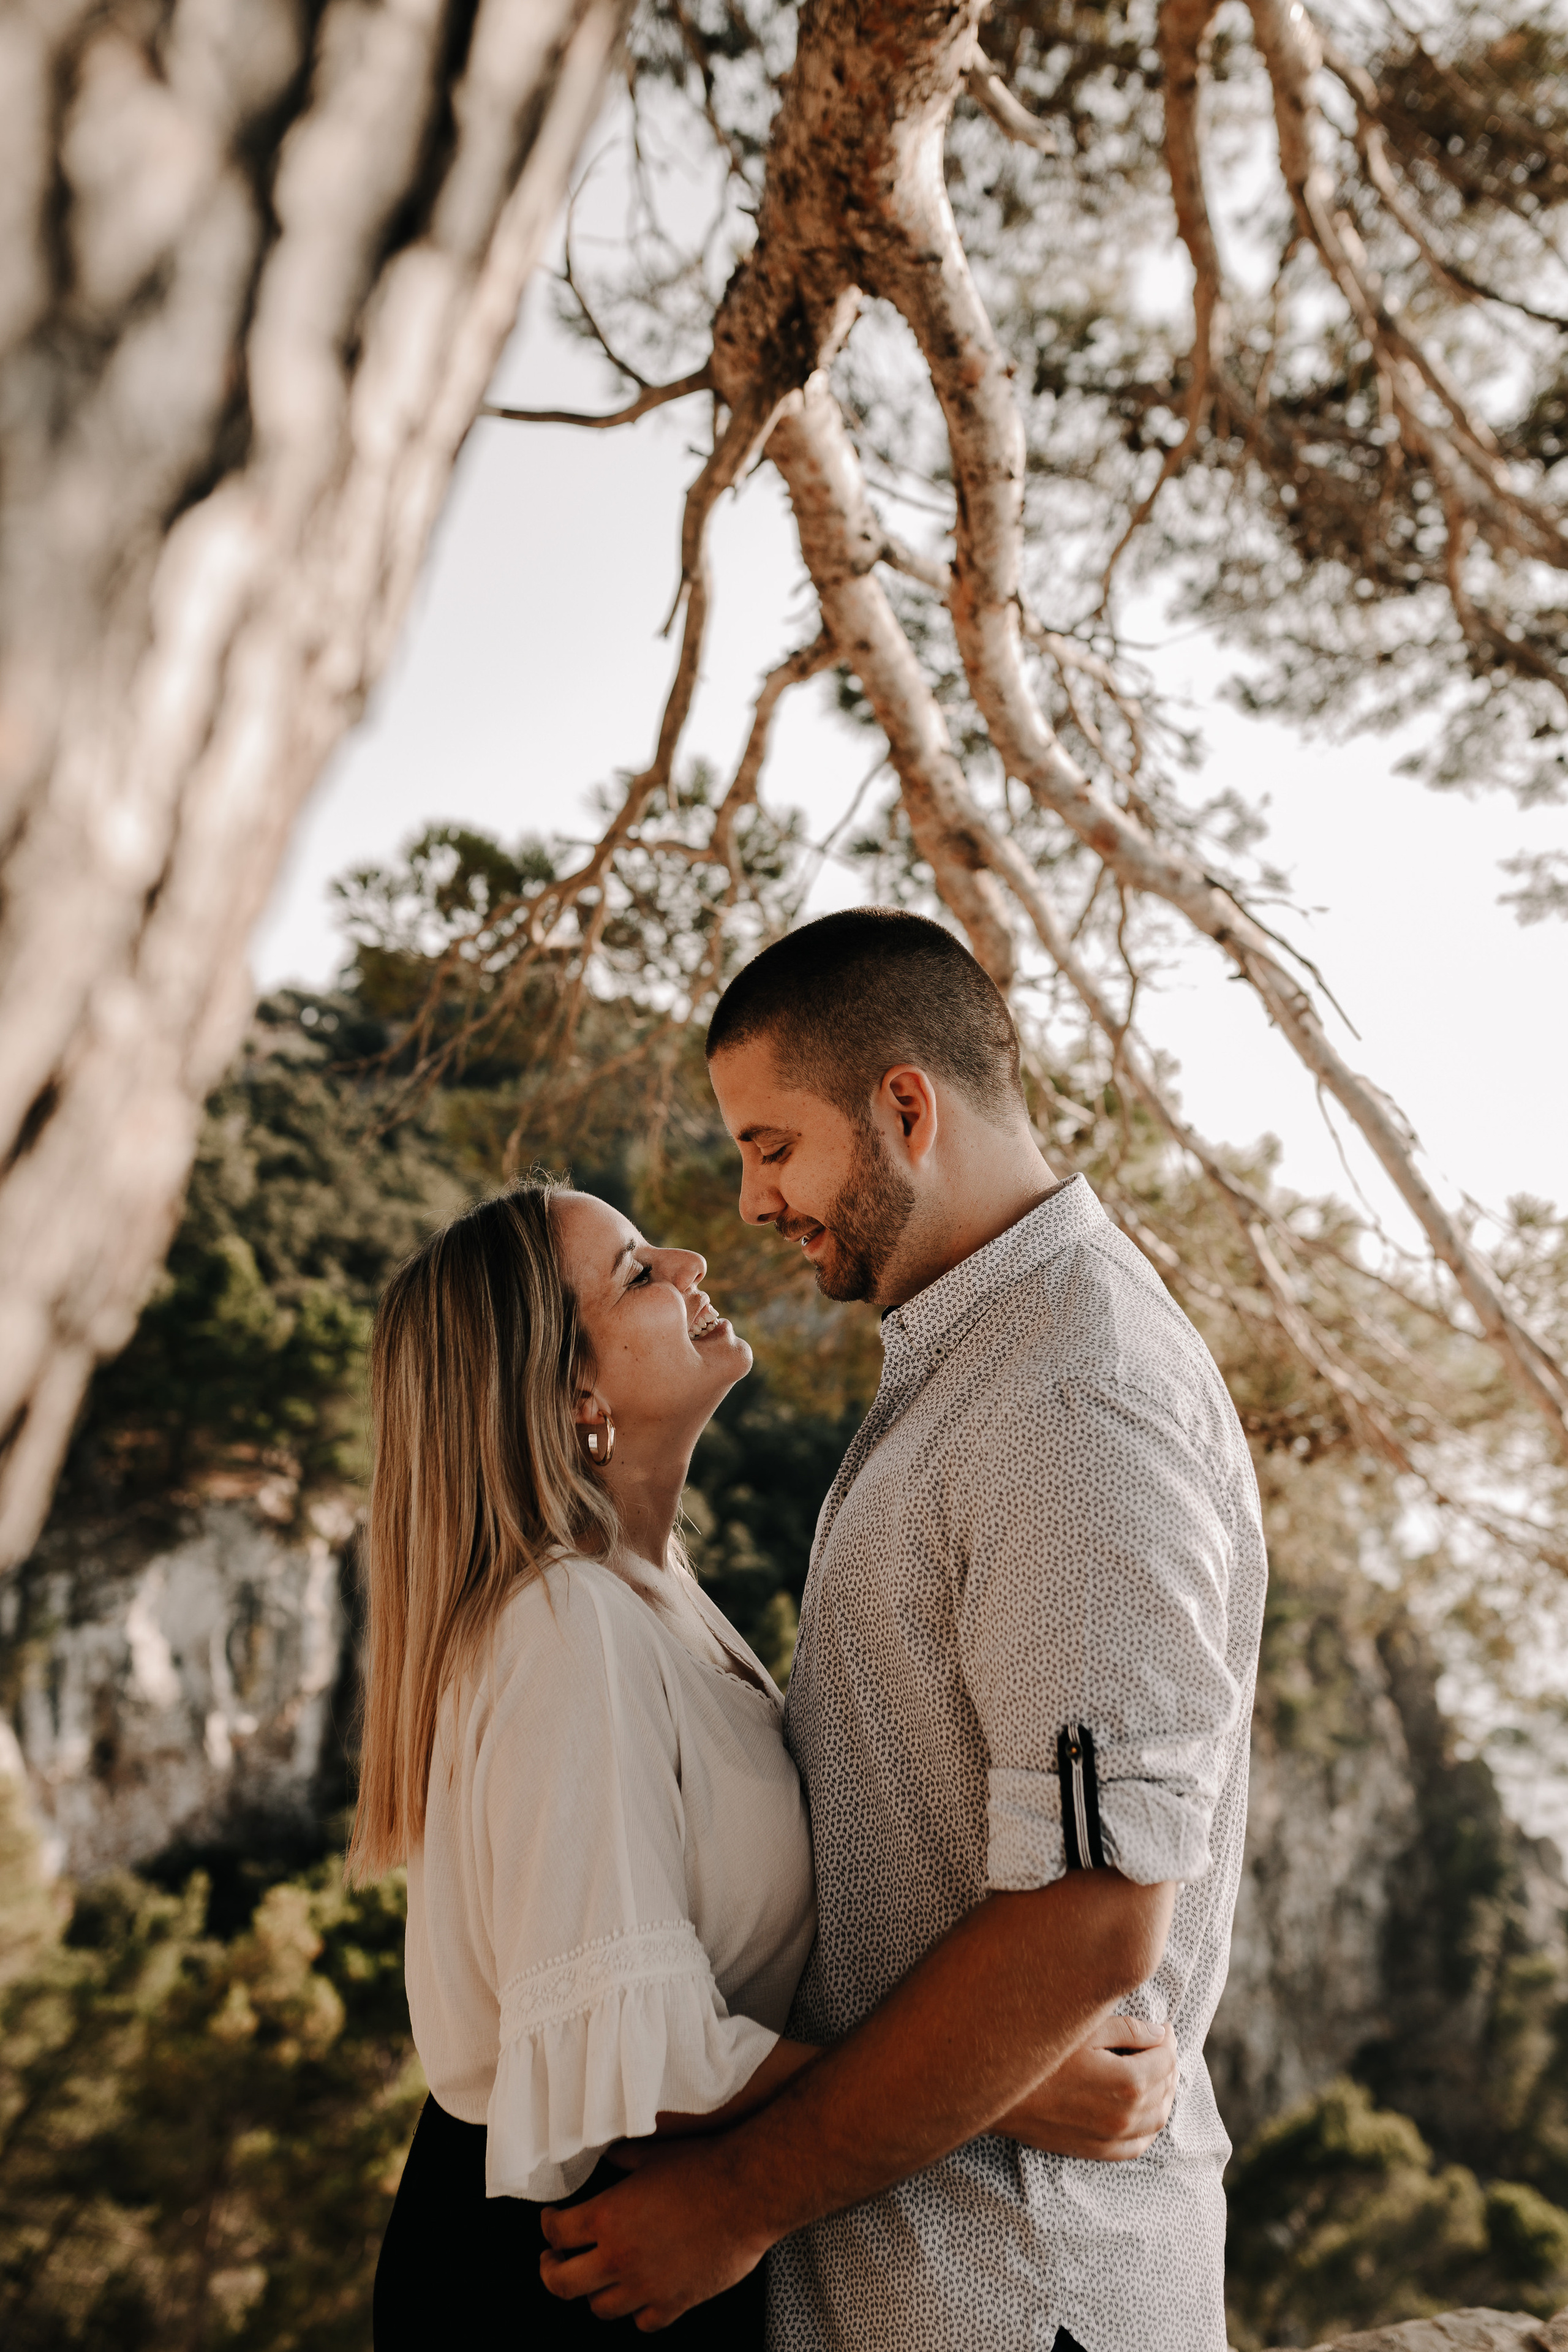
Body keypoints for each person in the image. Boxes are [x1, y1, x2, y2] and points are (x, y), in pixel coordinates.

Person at [540, 908, 1268, 2351]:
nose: (748, 1205)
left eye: (769, 1147)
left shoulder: (1067, 1399)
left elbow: (1088, 1921)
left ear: (904, 1106)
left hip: (1015, 2290)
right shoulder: (979, 1359)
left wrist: (738, 2197)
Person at [355, 1177, 1180, 2346]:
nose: (691, 1261)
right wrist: (1005, 2087)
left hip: (641, 2233)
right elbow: (640, 2066)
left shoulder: (658, 1601)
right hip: (569, 2265)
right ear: (573, 1390)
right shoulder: (567, 1628)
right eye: (637, 1272)